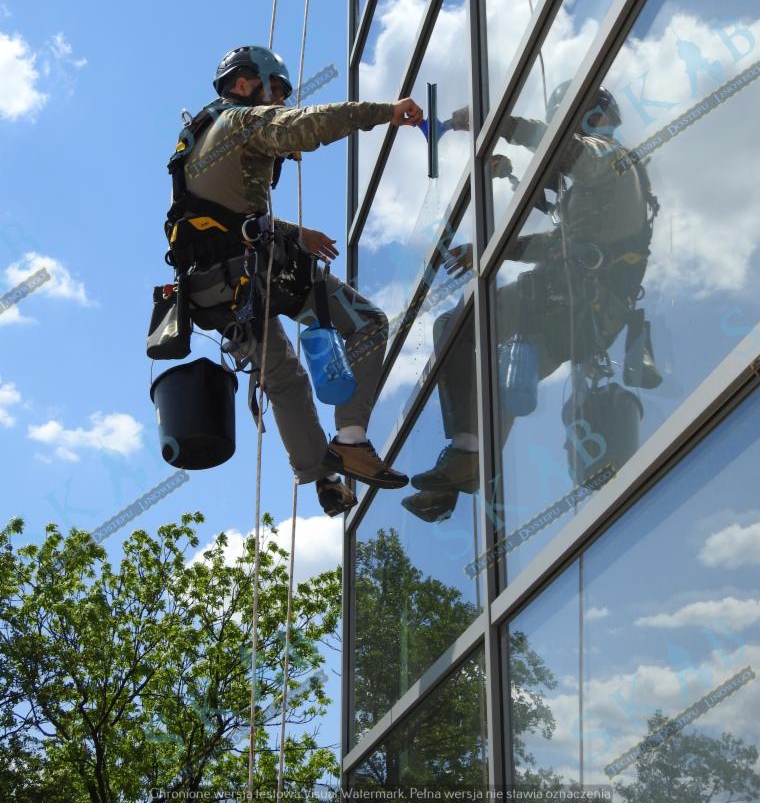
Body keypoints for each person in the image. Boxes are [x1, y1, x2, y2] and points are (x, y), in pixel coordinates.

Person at [166, 45, 423, 516]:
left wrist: (291, 232)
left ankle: (322, 477)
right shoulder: (241, 122)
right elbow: (308, 125)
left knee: (283, 379)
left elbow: (216, 220)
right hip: (255, 275)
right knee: (367, 323)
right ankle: (350, 441)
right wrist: (384, 112)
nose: (281, 102)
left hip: (215, 291)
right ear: (245, 84)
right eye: (277, 90)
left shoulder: (199, 139)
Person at [403, 82, 660, 519]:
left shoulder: (610, 159)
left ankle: (468, 454)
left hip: (574, 303)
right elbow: (557, 245)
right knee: (504, 387)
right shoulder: (595, 187)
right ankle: (465, 469)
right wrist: (491, 249)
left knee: (453, 329)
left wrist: (495, 123)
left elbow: (566, 150)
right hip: (571, 307)